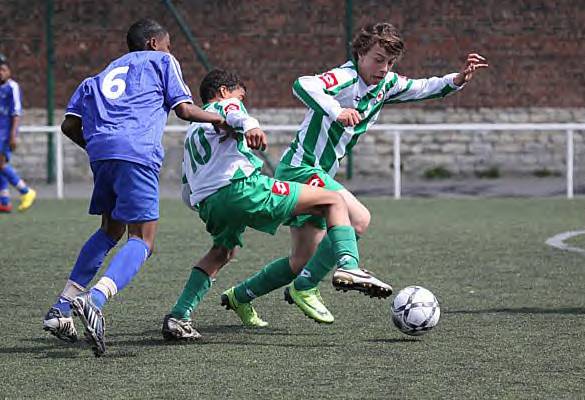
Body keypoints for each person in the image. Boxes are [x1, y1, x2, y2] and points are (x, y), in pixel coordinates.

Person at [227, 22, 488, 324]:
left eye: (390, 62)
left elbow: (423, 87)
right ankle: (324, 278)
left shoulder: (386, 84)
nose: (384, 67)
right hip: (300, 168)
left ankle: (239, 296)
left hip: (319, 173)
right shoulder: (346, 76)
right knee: (358, 218)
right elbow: (303, 84)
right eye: (378, 59)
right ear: (361, 53)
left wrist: (458, 79)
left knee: (300, 261)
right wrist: (335, 110)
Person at [42, 19, 229, 357]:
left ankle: (61, 308)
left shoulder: (98, 77)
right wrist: (220, 119)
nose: (171, 52)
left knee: (109, 231)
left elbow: (69, 124)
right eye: (169, 45)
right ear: (154, 43)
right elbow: (184, 109)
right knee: (143, 239)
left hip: (101, 154)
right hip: (136, 151)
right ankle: (93, 300)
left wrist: (100, 146)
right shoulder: (161, 61)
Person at [161, 68, 369, 340]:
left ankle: (179, 315)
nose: (241, 101)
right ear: (224, 91)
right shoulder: (224, 105)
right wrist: (251, 125)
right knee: (333, 200)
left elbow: (188, 187)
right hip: (241, 189)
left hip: (208, 203)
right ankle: (348, 265)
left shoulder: (193, 131)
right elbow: (235, 112)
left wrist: (209, 206)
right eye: (240, 95)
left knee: (221, 252)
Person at [0, 53, 36, 213]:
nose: (0, 72)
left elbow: (16, 113)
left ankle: (26, 191)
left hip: (5, 134)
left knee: (0, 164)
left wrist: (13, 135)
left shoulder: (12, 87)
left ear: (9, 72)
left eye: (3, 69)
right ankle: (5, 201)